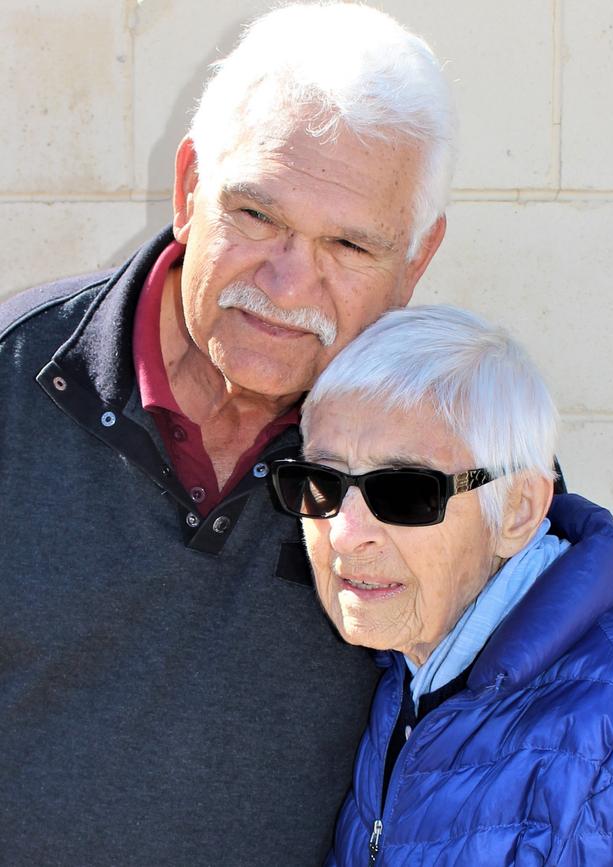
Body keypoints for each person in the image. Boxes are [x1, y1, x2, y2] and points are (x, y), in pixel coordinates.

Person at [0, 4, 455, 865]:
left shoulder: (449, 459)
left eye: (351, 244)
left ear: (416, 262)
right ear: (186, 190)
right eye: (256, 216)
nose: (288, 281)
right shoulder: (9, 384)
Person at [271, 305, 613, 865]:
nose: (345, 536)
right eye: (321, 482)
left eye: (404, 492)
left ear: (518, 510)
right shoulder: (410, 667)